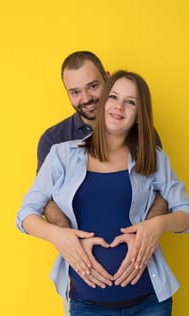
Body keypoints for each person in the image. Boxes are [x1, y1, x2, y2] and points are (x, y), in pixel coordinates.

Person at [17, 70, 189, 316]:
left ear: (140, 115)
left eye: (130, 102)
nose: (118, 106)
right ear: (103, 104)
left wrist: (157, 225)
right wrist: (58, 235)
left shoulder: (153, 157)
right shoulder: (62, 155)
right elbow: (25, 215)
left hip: (149, 305)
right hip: (88, 308)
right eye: (113, 97)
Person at [37, 51, 166, 290]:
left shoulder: (144, 134)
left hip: (142, 276)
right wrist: (70, 242)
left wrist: (143, 237)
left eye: (93, 86)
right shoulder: (54, 141)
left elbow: (163, 192)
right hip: (82, 280)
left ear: (107, 79)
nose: (86, 98)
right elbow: (44, 201)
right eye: (75, 92)